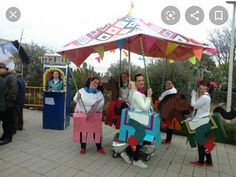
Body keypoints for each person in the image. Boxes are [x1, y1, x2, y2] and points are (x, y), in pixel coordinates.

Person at [120, 73, 152, 168]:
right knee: (140, 134)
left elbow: (146, 107)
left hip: (140, 117)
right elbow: (143, 107)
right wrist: (149, 96)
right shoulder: (137, 93)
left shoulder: (139, 93)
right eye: (139, 81)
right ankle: (134, 159)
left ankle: (126, 153)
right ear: (135, 83)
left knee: (140, 137)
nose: (141, 82)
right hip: (136, 118)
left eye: (142, 80)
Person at [73, 77, 105, 155]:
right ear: (90, 81)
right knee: (83, 132)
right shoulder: (81, 90)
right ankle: (83, 147)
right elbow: (75, 99)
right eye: (94, 82)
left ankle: (99, 147)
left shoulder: (98, 93)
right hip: (82, 115)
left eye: (97, 83)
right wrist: (78, 97)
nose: (96, 84)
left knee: (96, 132)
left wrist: (94, 107)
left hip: (94, 115)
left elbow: (102, 102)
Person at [188, 83, 213, 167]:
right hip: (204, 120)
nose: (201, 90)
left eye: (203, 88)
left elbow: (193, 106)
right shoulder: (206, 96)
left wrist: (193, 96)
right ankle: (209, 161)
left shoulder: (204, 97)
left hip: (201, 121)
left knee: (200, 141)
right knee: (205, 142)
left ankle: (201, 161)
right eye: (200, 88)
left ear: (206, 89)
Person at [0, 63, 19, 145]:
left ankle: (8, 137)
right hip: (3, 104)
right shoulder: (3, 77)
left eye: (0, 68)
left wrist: (7, 98)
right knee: (5, 121)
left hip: (8, 104)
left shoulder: (11, 76)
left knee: (8, 121)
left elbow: (14, 90)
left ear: (5, 68)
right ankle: (4, 136)